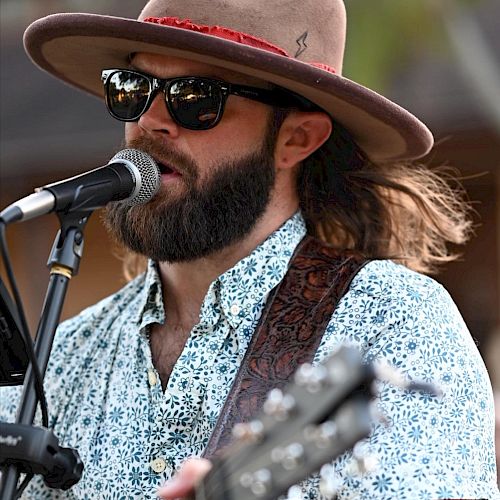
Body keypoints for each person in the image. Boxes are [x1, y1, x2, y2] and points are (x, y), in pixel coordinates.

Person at [1, 0, 499, 498]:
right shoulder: (63, 356)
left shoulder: (393, 324)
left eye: (195, 98)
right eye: (132, 90)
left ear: (297, 138)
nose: (150, 121)